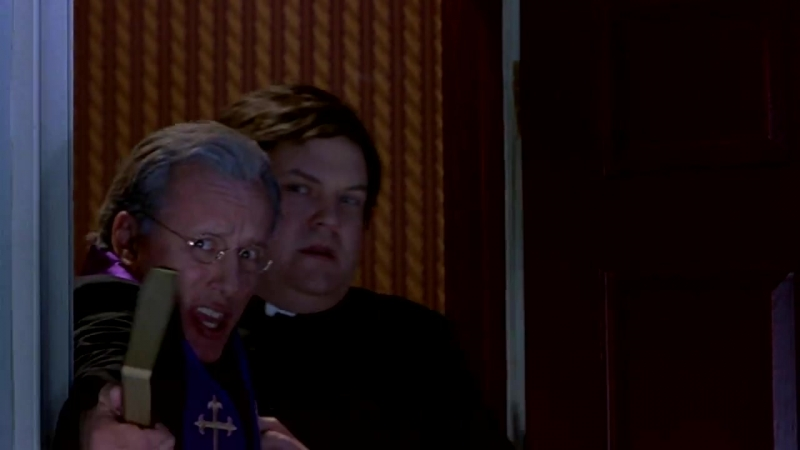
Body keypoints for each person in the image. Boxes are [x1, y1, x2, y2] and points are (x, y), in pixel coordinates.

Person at [218, 85, 513, 449]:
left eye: (349, 199)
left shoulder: (419, 345)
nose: (329, 219)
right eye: (300, 189)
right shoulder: (184, 331)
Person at [53, 121, 307, 450]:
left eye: (248, 254)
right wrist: (94, 419)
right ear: (128, 240)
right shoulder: (102, 300)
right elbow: (104, 337)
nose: (230, 284)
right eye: (204, 245)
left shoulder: (245, 350)